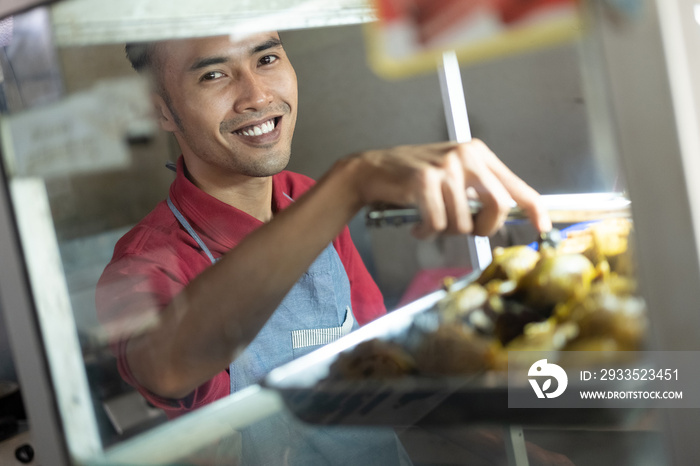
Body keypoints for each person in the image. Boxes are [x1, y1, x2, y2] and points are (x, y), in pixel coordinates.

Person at [96, 31, 563, 464]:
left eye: (267, 58)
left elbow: (382, 376)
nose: (257, 96)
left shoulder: (307, 198)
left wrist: (513, 450)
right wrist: (350, 184)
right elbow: (167, 366)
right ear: (159, 111)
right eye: (214, 75)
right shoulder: (142, 265)